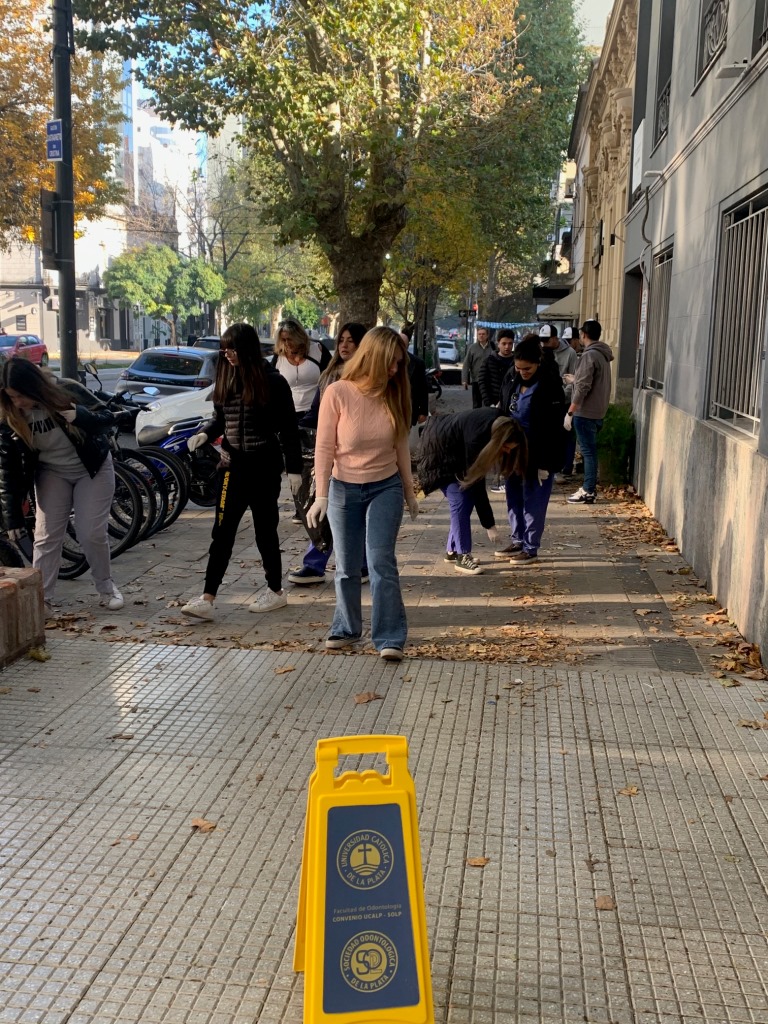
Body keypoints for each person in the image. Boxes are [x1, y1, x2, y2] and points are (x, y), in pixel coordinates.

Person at [308, 326, 418, 662]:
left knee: (381, 561)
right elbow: (324, 446)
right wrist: (322, 494)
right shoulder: (338, 392)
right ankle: (346, 627)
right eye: (391, 363)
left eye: (399, 364)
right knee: (346, 564)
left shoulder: (395, 393)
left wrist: (410, 491)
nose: (395, 370)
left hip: (385, 486)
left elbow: (401, 445)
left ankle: (389, 636)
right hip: (343, 487)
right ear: (371, 357)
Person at [180, 323, 303, 621]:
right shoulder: (226, 379)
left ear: (246, 349)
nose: (228, 355)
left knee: (265, 531)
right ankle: (208, 597)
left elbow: (288, 429)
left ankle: (275, 591)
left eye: (232, 349)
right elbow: (220, 420)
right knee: (222, 532)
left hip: (264, 467)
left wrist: (295, 469)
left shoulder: (273, 382)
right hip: (232, 468)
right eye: (224, 350)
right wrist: (205, 435)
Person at [0, 358, 123, 614]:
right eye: (12, 397)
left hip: (92, 468)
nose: (18, 402)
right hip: (51, 473)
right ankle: (41, 599)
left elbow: (108, 418)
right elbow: (7, 469)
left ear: (34, 387)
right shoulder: (9, 416)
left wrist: (82, 416)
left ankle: (107, 588)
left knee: (90, 533)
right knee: (46, 537)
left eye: (22, 396)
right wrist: (12, 519)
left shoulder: (65, 389)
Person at [288, 321, 368, 585]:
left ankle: (362, 565)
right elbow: (317, 414)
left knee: (350, 513)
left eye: (351, 341)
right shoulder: (329, 374)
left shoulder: (368, 376)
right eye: (341, 340)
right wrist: (294, 429)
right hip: (326, 452)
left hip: (356, 457)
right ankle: (316, 563)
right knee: (319, 507)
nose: (345, 345)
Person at [416, 409, 527, 575]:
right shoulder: (477, 438)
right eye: (505, 448)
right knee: (460, 501)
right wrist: (489, 524)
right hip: (439, 454)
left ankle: (452, 550)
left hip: (453, 449)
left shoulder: (503, 422)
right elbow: (476, 483)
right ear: (497, 441)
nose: (507, 452)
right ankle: (463, 556)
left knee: (464, 501)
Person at [495, 336, 567, 563]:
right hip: (513, 449)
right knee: (513, 495)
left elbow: (554, 429)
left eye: (527, 368)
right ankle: (517, 539)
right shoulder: (512, 379)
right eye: (518, 368)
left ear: (538, 363)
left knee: (533, 499)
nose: (523, 372)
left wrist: (546, 462)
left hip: (539, 451)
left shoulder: (549, 386)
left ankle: (530, 545)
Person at [271, 318, 332, 522]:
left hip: (315, 412)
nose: (287, 344)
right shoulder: (277, 358)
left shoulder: (317, 350)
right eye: (283, 340)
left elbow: (331, 376)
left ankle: (317, 500)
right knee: (294, 462)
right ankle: (300, 506)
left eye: (289, 339)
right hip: (288, 415)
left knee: (314, 461)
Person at [565, 319, 613, 505]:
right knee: (589, 452)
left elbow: (584, 387)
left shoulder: (589, 356)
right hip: (598, 411)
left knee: (589, 452)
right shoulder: (602, 354)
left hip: (585, 413)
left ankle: (588, 490)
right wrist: (575, 380)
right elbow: (588, 381)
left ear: (583, 335)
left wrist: (570, 411)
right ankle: (588, 488)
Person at [539, 323, 579, 479]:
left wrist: (561, 396)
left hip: (564, 401)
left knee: (565, 435)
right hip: (545, 401)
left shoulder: (570, 353)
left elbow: (573, 377)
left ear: (555, 338)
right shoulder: (541, 351)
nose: (544, 343)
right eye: (542, 340)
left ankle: (564, 467)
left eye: (547, 340)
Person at [399, 323, 429, 426]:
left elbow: (423, 389)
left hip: (409, 409)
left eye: (404, 346)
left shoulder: (417, 363)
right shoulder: (385, 361)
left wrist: (423, 411)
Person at [478, 329, 516, 407]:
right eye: (504, 343)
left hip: (512, 403)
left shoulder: (517, 362)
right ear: (498, 343)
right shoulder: (489, 361)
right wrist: (489, 403)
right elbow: (482, 382)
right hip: (493, 402)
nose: (507, 347)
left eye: (510, 344)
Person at [462, 326, 494, 408]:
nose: (481, 336)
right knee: (477, 403)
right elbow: (466, 364)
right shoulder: (472, 348)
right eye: (479, 334)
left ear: (487, 335)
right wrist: (465, 380)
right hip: (476, 380)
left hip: (490, 380)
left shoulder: (493, 347)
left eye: (483, 334)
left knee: (489, 403)